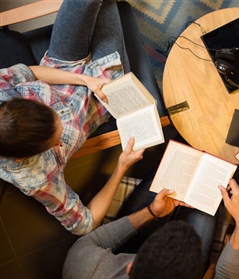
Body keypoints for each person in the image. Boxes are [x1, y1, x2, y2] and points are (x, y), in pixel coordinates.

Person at [0, 0, 147, 235]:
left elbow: (31, 72)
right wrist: (121, 166)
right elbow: (84, 224)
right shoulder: (37, 178)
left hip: (62, 67)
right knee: (108, 5)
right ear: (24, 156)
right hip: (101, 100)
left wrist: (84, 79)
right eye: (56, 142)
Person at [61, 178, 239, 279]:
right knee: (207, 190)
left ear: (130, 267)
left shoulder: (82, 274)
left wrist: (152, 212)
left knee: (165, 182)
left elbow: (96, 239)